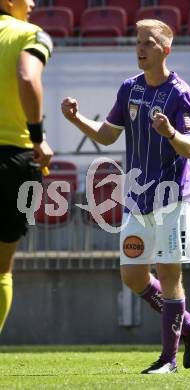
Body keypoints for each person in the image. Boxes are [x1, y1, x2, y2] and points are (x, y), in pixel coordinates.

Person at [61, 19, 190, 374]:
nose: (140, 48)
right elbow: (108, 135)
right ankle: (188, 326)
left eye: (149, 42)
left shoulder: (180, 92)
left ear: (165, 50)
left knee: (169, 274)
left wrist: (170, 131)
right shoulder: (130, 89)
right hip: (139, 200)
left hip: (172, 198)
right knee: (132, 276)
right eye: (138, 42)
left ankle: (168, 360)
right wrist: (77, 118)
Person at [0, 0, 54, 334]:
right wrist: (38, 137)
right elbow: (25, 75)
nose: (33, 2)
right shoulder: (31, 34)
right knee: (2, 268)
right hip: (15, 159)